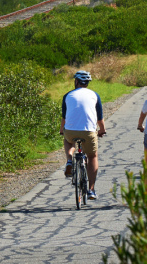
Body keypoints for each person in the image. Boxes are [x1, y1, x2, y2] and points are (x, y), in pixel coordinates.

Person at [61, 70, 106, 200]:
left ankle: (69, 160)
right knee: (92, 156)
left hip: (71, 131)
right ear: (87, 83)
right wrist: (102, 130)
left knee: (68, 141)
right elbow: (99, 118)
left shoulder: (67, 95)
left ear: (76, 81)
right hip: (89, 132)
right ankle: (91, 190)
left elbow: (64, 117)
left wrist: (61, 130)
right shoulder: (95, 95)